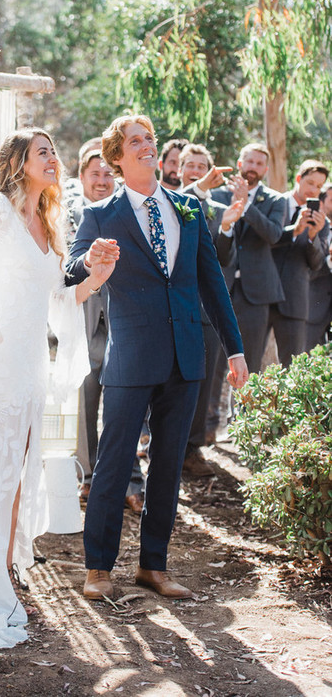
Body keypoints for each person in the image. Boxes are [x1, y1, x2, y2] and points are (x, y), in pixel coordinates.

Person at [0, 122, 118, 648]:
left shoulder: (51, 223)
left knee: (20, 468)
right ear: (18, 161)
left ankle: (4, 563)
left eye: (54, 151)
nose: (53, 158)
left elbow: (59, 300)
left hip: (31, 360)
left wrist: (95, 277)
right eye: (43, 151)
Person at [67, 115, 248, 602]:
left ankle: (154, 567)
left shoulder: (190, 208)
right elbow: (69, 270)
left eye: (149, 138)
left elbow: (211, 282)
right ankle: (99, 569)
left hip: (187, 356)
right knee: (113, 464)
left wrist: (235, 348)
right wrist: (90, 260)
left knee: (167, 467)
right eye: (135, 141)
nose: (147, 146)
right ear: (117, 158)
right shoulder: (100, 216)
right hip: (130, 357)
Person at [69, 149, 145, 512]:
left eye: (107, 175)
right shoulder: (65, 214)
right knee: (85, 400)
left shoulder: (125, 211)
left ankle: (132, 481)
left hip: (122, 318)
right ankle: (87, 477)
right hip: (81, 316)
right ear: (82, 177)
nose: (101, 181)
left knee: (125, 402)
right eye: (94, 174)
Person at [178, 143, 244, 474]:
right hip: (170, 307)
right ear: (178, 168)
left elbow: (222, 259)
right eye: (190, 164)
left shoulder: (220, 208)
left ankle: (192, 450)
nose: (196, 169)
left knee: (202, 383)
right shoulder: (163, 199)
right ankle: (155, 442)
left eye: (202, 165)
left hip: (205, 310)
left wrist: (228, 227)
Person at [212, 142, 286, 374]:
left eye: (259, 163)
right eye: (250, 161)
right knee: (213, 364)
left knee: (250, 363)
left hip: (256, 293)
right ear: (240, 164)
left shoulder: (276, 200)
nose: (253, 167)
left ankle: (243, 411)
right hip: (220, 287)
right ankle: (212, 412)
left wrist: (245, 206)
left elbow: (274, 235)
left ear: (265, 170)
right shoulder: (216, 196)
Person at [268, 160, 329, 366]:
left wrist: (312, 236)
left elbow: (317, 264)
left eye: (319, 187)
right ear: (298, 179)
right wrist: (293, 230)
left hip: (294, 299)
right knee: (246, 362)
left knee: (291, 366)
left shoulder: (323, 223)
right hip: (259, 293)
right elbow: (261, 241)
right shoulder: (273, 203)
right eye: (310, 182)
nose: (313, 190)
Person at [307, 183, 332, 350]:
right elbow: (305, 268)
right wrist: (329, 261)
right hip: (314, 308)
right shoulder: (309, 226)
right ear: (321, 203)